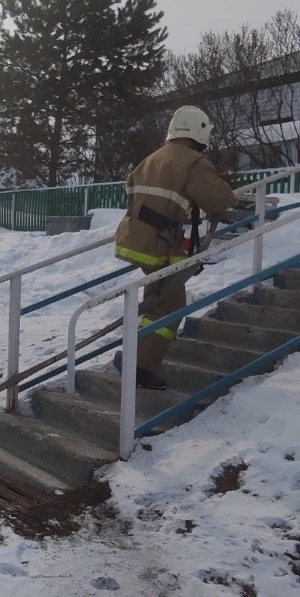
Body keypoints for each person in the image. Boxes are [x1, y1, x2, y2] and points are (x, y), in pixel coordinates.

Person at [113, 106, 236, 390]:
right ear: (199, 132)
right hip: (157, 244)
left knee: (158, 297)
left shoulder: (152, 158)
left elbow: (130, 188)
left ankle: (137, 357)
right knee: (170, 305)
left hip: (134, 238)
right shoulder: (193, 162)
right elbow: (218, 199)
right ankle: (139, 367)